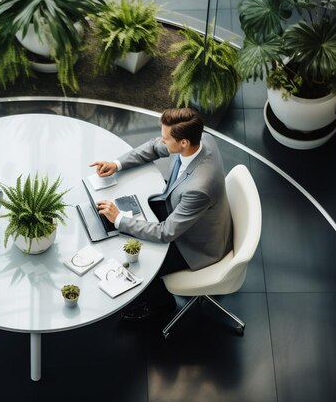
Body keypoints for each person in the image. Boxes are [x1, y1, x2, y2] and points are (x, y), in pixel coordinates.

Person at [90, 108, 233, 321]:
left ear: (183, 142)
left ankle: (160, 303)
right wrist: (116, 164)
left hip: (195, 246)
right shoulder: (201, 139)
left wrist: (118, 218)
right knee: (132, 219)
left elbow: (166, 233)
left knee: (144, 263)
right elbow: (154, 147)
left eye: (166, 138)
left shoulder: (200, 187)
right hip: (183, 211)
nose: (162, 141)